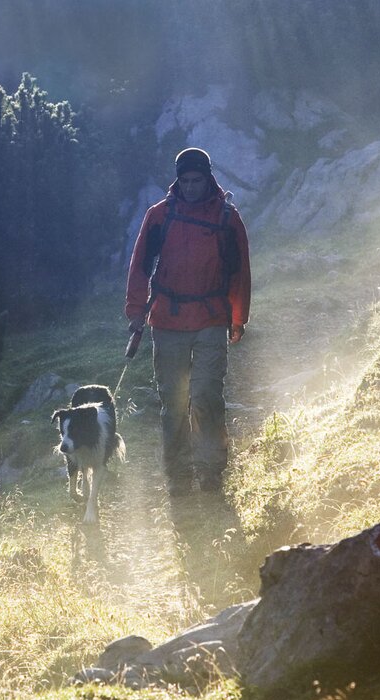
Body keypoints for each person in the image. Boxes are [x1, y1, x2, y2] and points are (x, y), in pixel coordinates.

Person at [125, 147, 251, 496]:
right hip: (166, 320)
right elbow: (140, 265)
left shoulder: (227, 218)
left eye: (197, 180)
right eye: (186, 180)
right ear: (177, 180)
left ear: (208, 177)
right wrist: (136, 310)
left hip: (211, 318)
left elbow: (240, 272)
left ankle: (211, 471)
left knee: (207, 394)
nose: (192, 187)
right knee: (174, 401)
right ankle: (178, 473)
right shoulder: (159, 216)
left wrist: (238, 318)